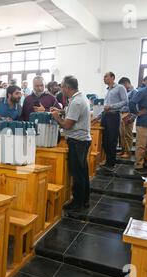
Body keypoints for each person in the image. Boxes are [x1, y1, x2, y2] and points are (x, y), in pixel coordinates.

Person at [51, 75, 91, 212]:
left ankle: (78, 203)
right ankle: (84, 200)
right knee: (83, 172)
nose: (61, 89)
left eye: (62, 86)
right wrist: (61, 111)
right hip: (81, 140)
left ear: (67, 87)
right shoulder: (78, 98)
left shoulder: (76, 102)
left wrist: (57, 117)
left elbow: (67, 125)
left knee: (78, 173)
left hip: (77, 141)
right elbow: (72, 114)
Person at [97, 72, 128, 171]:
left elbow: (125, 101)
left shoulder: (120, 88)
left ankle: (111, 163)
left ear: (113, 77)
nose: (104, 78)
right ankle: (107, 160)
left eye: (106, 76)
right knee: (105, 141)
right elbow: (105, 107)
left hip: (114, 116)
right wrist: (98, 117)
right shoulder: (108, 90)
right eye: (104, 77)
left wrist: (111, 106)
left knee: (111, 140)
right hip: (106, 116)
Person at [117, 77, 138, 159]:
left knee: (127, 134)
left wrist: (132, 117)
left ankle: (128, 151)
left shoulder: (134, 92)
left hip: (128, 114)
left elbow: (135, 106)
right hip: (122, 114)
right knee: (122, 134)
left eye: (122, 86)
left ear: (126, 83)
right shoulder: (125, 92)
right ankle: (123, 150)